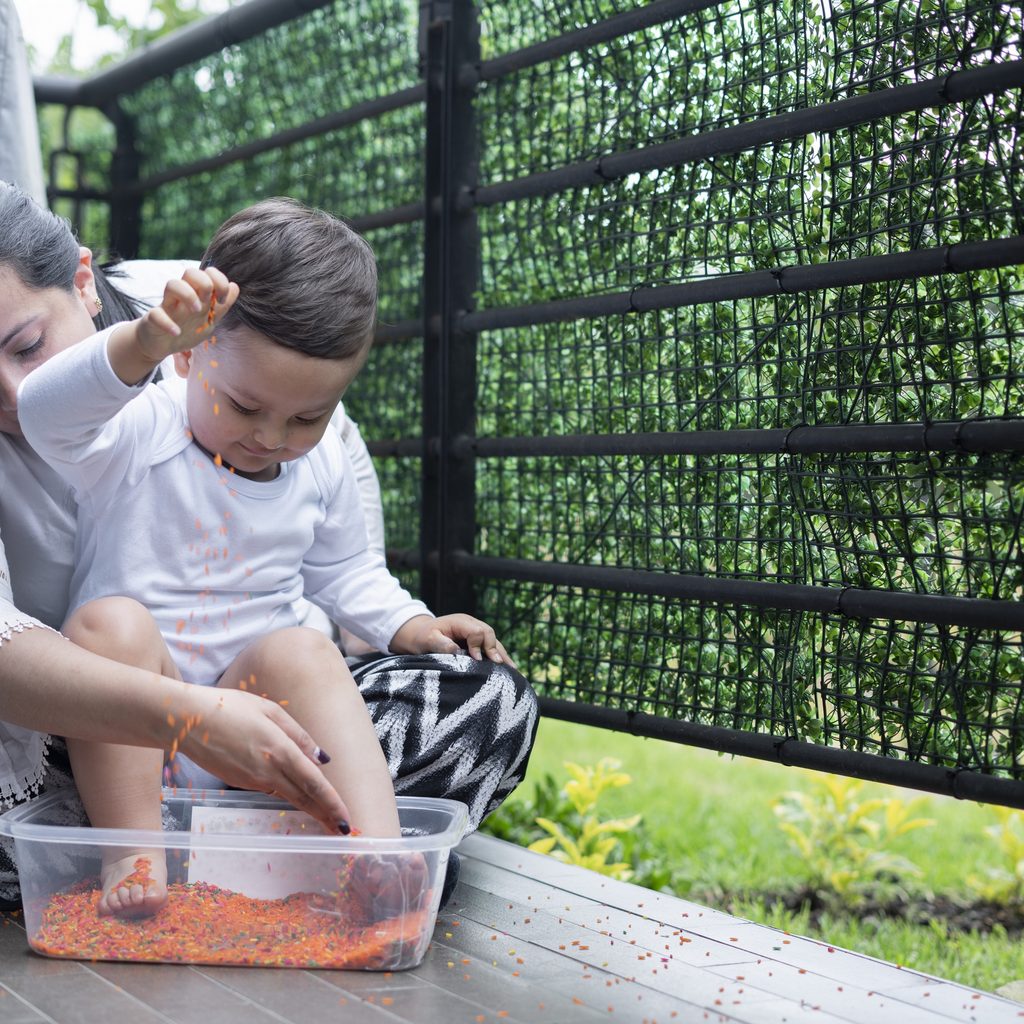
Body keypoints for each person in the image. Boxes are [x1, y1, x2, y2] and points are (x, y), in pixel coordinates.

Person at [0, 182, 539, 910]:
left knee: (367, 669)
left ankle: (377, 859)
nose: (271, 438)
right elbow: (49, 413)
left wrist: (411, 626)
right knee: (107, 626)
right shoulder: (142, 423)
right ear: (189, 362)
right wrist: (147, 341)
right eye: (248, 408)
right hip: (119, 740)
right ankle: (138, 862)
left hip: (261, 723)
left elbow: (349, 569)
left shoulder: (301, 438)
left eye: (306, 418)